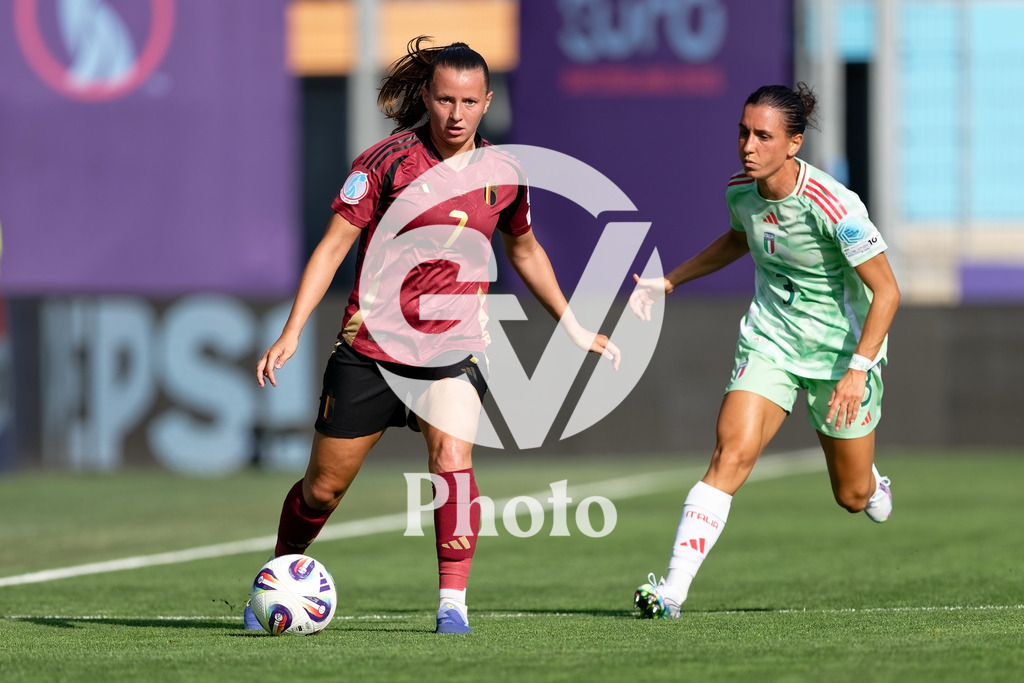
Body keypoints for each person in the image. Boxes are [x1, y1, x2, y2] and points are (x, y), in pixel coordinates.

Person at [246, 36, 619, 635]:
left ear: (487, 102)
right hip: (370, 350)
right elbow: (333, 246)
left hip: (452, 348)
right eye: (445, 99)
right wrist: (292, 330)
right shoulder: (385, 163)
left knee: (452, 461)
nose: (455, 114)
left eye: (469, 102)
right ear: (426, 95)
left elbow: (524, 249)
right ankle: (278, 575)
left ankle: (453, 606)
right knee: (322, 490)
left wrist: (571, 323)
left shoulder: (505, 172)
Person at [630, 83, 900, 618]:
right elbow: (739, 237)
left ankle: (873, 484)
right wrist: (672, 280)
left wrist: (857, 369)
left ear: (793, 144)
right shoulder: (741, 191)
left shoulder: (836, 206)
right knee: (729, 456)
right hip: (769, 342)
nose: (748, 145)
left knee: (850, 497)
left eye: (763, 136)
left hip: (839, 355)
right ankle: (673, 592)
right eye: (743, 131)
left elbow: (888, 291)